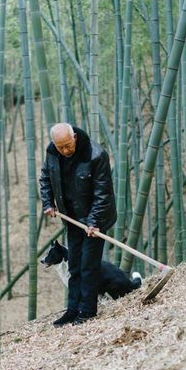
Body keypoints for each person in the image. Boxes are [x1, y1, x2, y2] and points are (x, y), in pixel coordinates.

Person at [39, 123, 116, 326]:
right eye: (60, 147)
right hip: (72, 218)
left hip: (95, 219)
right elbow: (45, 178)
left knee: (88, 265)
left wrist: (94, 222)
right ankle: (73, 309)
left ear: (74, 137)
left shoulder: (96, 155)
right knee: (74, 264)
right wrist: (48, 203)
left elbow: (103, 193)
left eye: (67, 145)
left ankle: (88, 311)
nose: (65, 151)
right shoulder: (52, 153)